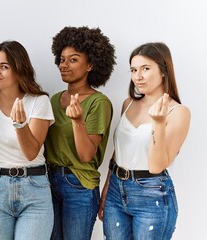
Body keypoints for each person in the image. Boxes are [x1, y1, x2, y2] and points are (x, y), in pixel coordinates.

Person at [99, 42, 191, 239]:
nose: (137, 76)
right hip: (116, 189)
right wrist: (107, 189)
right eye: (133, 70)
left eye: (145, 69)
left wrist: (158, 123)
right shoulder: (128, 103)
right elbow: (118, 153)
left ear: (164, 71)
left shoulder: (178, 112)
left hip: (151, 195)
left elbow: (157, 166)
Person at [0, 40, 54, 240]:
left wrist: (20, 125)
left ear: (19, 70)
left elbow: (31, 152)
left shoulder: (39, 102)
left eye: (4, 66)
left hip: (34, 188)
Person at [44, 26, 116, 240]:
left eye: (73, 60)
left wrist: (77, 121)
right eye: (62, 59)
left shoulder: (98, 102)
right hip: (49, 181)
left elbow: (86, 155)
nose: (64, 65)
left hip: (79, 184)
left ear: (91, 65)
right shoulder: (54, 100)